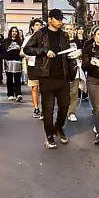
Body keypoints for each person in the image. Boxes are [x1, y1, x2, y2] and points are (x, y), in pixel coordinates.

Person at [24, 9, 79, 149]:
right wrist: (43, 51)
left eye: (61, 19)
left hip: (63, 77)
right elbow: (27, 49)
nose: (60, 21)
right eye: (57, 19)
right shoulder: (40, 33)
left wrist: (73, 56)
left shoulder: (64, 35)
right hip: (46, 77)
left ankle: (58, 127)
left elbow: (67, 54)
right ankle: (49, 135)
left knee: (64, 106)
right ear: (50, 19)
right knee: (48, 109)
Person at [22, 19, 44, 119]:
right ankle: (36, 108)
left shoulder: (44, 37)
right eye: (37, 25)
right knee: (35, 88)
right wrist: (27, 55)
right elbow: (22, 52)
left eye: (40, 25)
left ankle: (44, 109)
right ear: (32, 27)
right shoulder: (28, 38)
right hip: (32, 65)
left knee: (44, 88)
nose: (39, 27)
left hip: (43, 65)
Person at [65, 24, 84, 122]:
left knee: (74, 92)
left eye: (71, 29)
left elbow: (83, 53)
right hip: (63, 69)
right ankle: (64, 110)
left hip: (75, 68)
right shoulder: (61, 41)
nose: (69, 31)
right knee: (63, 92)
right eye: (67, 29)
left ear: (74, 31)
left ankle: (71, 112)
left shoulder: (77, 41)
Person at [4, 26, 24, 101]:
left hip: (18, 62)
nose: (14, 33)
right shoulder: (6, 41)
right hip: (8, 61)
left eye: (15, 31)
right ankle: (10, 94)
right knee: (9, 79)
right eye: (13, 31)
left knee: (17, 79)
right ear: (10, 32)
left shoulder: (20, 41)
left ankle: (18, 94)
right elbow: (4, 51)